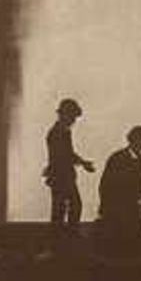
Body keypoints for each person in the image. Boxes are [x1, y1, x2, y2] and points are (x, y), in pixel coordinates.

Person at [43, 98, 96, 229]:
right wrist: (83, 163)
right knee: (70, 206)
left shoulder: (62, 131)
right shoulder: (58, 133)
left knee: (63, 208)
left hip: (62, 176)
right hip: (61, 177)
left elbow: (67, 154)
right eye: (72, 116)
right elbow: (66, 155)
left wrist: (83, 163)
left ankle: (62, 237)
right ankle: (66, 236)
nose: (74, 120)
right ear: (64, 114)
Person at [97, 126, 141, 248]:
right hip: (117, 209)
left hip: (134, 208)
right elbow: (106, 185)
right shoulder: (117, 158)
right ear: (134, 139)